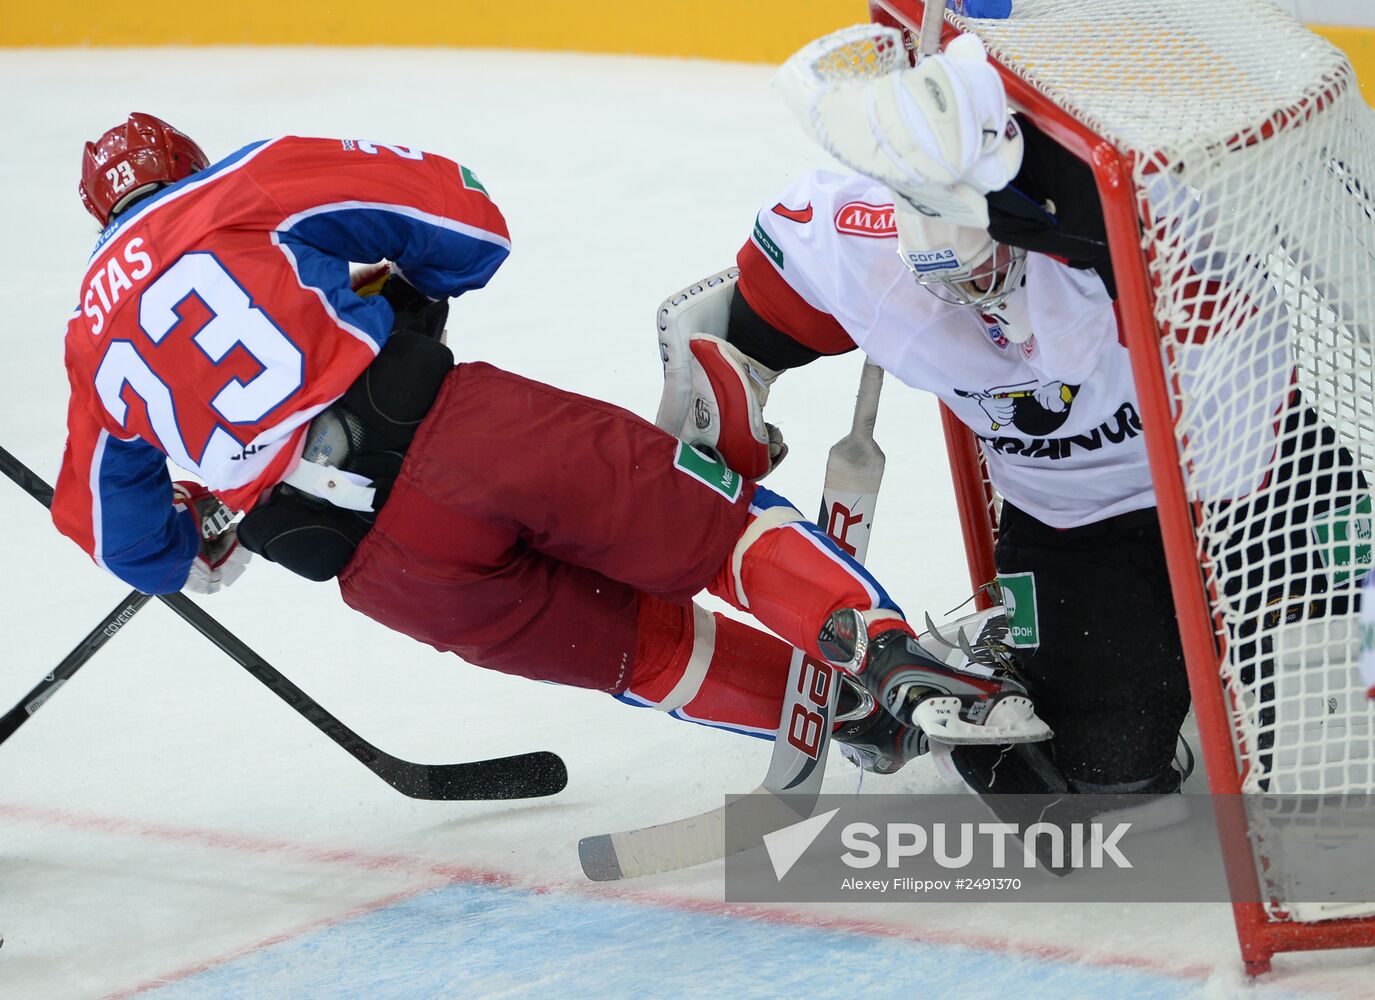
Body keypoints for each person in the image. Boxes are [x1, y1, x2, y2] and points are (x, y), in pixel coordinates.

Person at [51, 112, 1043, 779]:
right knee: (718, 534)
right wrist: (407, 290)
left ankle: (848, 717)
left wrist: (200, 534)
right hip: (469, 441)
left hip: (391, 577)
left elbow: (131, 544)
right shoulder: (243, 184)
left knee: (642, 651)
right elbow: (467, 221)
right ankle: (882, 653)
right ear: (187, 161)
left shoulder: (90, 340)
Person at [654, 29, 1201, 801]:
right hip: (1071, 522)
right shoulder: (859, 240)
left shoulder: (1141, 214)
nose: (975, 301)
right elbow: (719, 332)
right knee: (1106, 771)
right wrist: (721, 412)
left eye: (986, 273)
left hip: (1247, 488)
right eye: (950, 283)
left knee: (1325, 698)